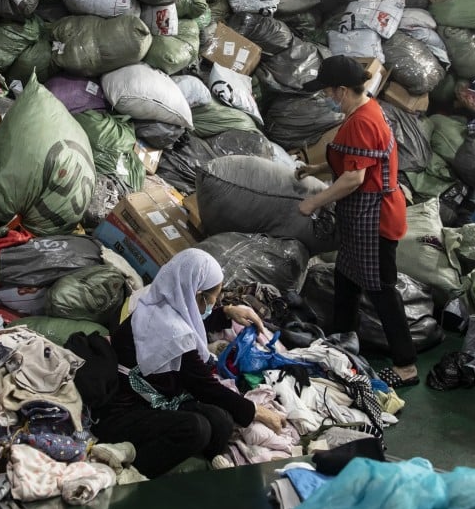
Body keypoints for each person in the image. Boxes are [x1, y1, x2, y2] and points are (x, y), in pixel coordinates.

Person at [92, 248, 287, 478]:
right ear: (196, 294)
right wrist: (259, 412)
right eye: (215, 296)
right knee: (196, 429)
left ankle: (211, 463)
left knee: (222, 421)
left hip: (155, 400)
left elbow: (191, 320)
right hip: (122, 414)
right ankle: (132, 473)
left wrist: (226, 312)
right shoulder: (172, 333)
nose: (215, 302)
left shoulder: (159, 301)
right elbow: (205, 387)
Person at [297, 55, 418, 388]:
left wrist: (313, 202)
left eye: (327, 92)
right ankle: (338, 348)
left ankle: (406, 365)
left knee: (382, 291)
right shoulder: (365, 110)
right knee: (346, 281)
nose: (325, 98)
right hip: (361, 220)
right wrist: (316, 170)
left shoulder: (362, 121)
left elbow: (354, 178)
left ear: (341, 90)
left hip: (375, 219)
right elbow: (354, 158)